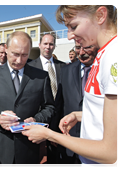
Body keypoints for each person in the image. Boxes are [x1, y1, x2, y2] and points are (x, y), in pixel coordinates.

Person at [22, 5, 119, 167]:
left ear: (101, 15)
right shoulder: (105, 54)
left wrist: (49, 135)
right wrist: (80, 115)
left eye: (74, 26)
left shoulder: (114, 56)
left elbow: (114, 153)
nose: (68, 36)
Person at [0, 31, 55, 167]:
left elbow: (49, 107)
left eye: (24, 55)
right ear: (6, 49)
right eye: (15, 54)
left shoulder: (41, 77)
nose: (19, 60)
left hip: (28, 149)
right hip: (0, 148)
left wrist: (37, 119)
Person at [53, 45, 98, 166]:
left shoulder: (105, 68)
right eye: (78, 48)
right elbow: (59, 103)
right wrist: (55, 131)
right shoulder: (66, 70)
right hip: (68, 137)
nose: (82, 52)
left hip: (95, 141)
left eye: (87, 48)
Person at [28, 33, 66, 166]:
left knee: (54, 153)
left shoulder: (64, 67)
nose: (48, 47)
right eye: (45, 43)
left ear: (54, 46)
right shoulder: (30, 67)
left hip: (58, 116)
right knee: (34, 153)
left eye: (51, 44)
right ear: (39, 45)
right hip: (38, 115)